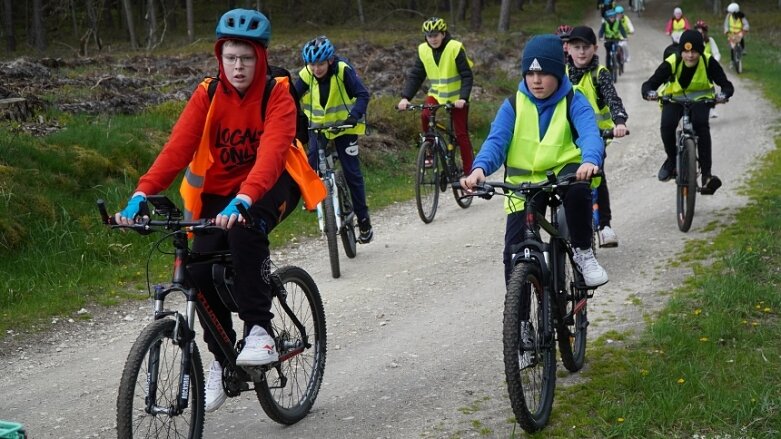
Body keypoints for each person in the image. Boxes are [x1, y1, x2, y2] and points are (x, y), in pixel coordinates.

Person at [114, 9, 324, 413]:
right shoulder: (208, 93)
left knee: (245, 230)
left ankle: (259, 329)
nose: (238, 66)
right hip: (220, 191)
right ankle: (221, 358)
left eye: (246, 57)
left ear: (260, 57)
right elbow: (177, 148)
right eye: (231, 57)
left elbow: (272, 151)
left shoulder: (276, 91)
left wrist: (245, 199)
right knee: (194, 267)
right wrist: (142, 193)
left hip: (274, 182)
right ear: (219, 57)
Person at [460, 34, 608, 288]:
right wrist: (479, 169)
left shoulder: (574, 99)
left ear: (559, 73)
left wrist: (590, 160)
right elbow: (496, 141)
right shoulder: (513, 104)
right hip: (523, 183)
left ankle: (583, 253)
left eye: (544, 73)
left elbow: (590, 134)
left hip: (565, 173)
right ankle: (520, 321)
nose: (536, 80)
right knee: (513, 253)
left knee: (578, 193)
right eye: (530, 73)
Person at [295, 35, 374, 244]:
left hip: (345, 127)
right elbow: (289, 99)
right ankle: (315, 200)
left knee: (352, 173)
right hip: (318, 128)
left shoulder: (342, 71)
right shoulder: (306, 74)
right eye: (312, 64)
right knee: (311, 159)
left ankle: (364, 221)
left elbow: (363, 95)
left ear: (330, 60)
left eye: (320, 63)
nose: (316, 68)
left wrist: (352, 117)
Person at [641, 29, 734, 195]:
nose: (690, 56)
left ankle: (706, 176)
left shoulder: (708, 61)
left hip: (700, 101)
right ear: (681, 51)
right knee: (667, 127)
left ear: (700, 51)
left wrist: (723, 94)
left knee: (701, 126)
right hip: (674, 101)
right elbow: (649, 84)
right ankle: (671, 160)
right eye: (686, 51)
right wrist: (649, 93)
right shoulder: (672, 61)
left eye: (694, 51)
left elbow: (726, 85)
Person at [566, 26, 629, 248]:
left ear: (595, 48)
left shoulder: (599, 73)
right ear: (568, 48)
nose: (581, 52)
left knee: (596, 177)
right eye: (576, 47)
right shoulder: (560, 74)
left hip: (595, 138)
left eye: (586, 47)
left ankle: (604, 226)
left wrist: (619, 122)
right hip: (565, 139)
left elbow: (613, 99)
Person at [397, 17, 475, 176]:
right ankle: (430, 151)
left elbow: (467, 75)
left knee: (461, 135)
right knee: (425, 115)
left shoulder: (455, 47)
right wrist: (406, 98)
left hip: (457, 98)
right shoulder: (423, 50)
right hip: (436, 95)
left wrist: (463, 98)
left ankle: (471, 174)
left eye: (436, 35)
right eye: (429, 35)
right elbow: (416, 75)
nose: (432, 39)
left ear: (443, 33)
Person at [695, 19, 722, 119]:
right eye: (697, 32)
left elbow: (716, 53)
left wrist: (714, 63)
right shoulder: (693, 42)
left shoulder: (710, 41)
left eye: (701, 32)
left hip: (707, 69)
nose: (699, 34)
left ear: (704, 32)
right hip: (695, 69)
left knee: (710, 88)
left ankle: (712, 109)